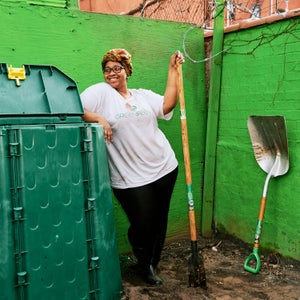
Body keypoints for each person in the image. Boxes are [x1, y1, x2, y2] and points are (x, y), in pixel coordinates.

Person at [80, 48, 185, 285]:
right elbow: (76, 108)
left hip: (164, 166)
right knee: (143, 222)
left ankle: (149, 265)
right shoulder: (100, 93)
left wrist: (172, 71)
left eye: (117, 68)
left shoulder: (142, 95)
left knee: (159, 221)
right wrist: (99, 118)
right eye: (107, 69)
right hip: (129, 176)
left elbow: (167, 105)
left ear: (127, 70)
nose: (111, 74)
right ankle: (142, 257)